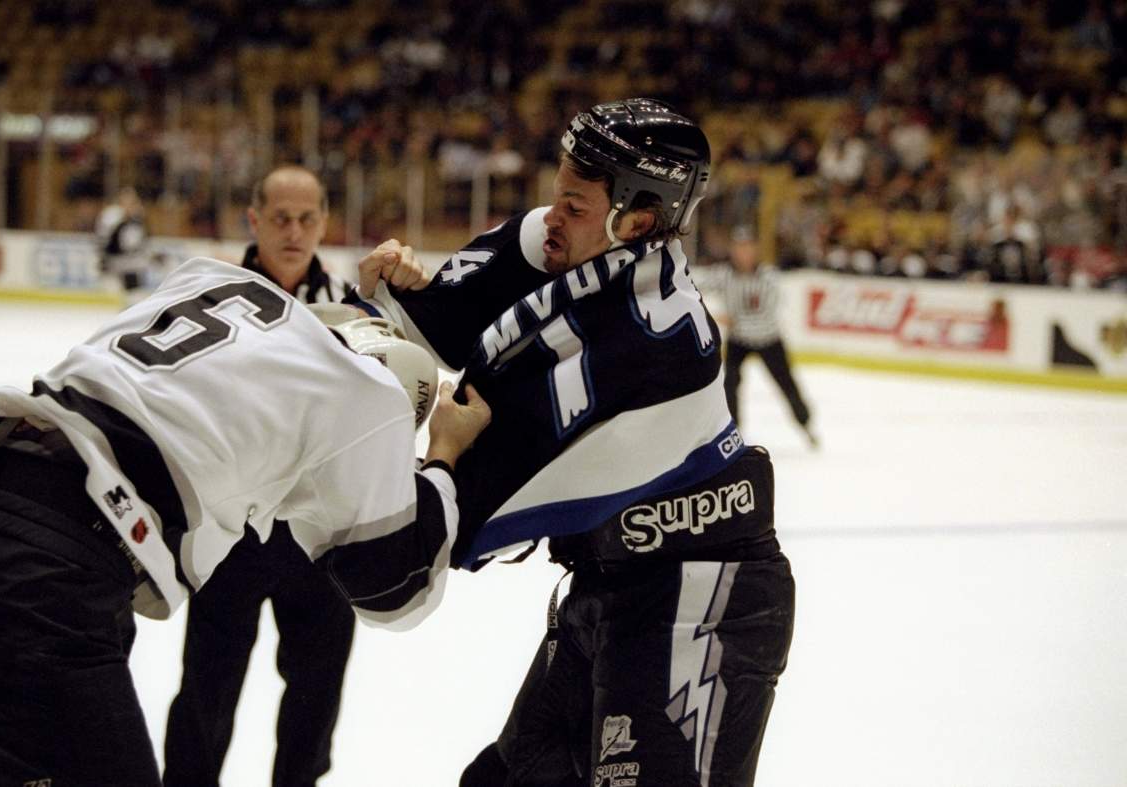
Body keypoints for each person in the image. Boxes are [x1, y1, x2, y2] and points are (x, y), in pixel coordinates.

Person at [352, 98, 795, 787]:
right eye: (556, 196)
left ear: (638, 220)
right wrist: (403, 296)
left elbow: (412, 559)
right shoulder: (590, 245)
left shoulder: (643, 348)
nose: (552, 218)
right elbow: (449, 320)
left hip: (701, 602)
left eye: (574, 206)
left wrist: (437, 451)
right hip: (615, 583)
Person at [0, 247, 491, 786]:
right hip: (37, 576)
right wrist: (442, 453)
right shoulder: (369, 395)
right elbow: (396, 595)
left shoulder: (218, 282)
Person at [163, 165, 358, 787]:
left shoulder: (352, 308)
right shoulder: (211, 297)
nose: (294, 232)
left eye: (307, 219)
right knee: (206, 691)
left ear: (324, 221)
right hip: (231, 532)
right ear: (254, 220)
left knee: (315, 694)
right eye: (280, 218)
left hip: (322, 538)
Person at [713, 225, 818, 448]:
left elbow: (767, 314)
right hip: (738, 341)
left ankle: (805, 423)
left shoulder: (768, 278)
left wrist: (734, 320)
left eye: (748, 247)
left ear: (755, 250)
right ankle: (734, 430)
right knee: (729, 383)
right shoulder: (724, 276)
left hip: (768, 339)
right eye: (739, 248)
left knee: (786, 383)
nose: (744, 253)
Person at [96, 185, 155, 301]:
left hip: (132, 266)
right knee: (112, 297)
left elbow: (142, 242)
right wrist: (103, 260)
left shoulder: (138, 218)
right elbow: (103, 241)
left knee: (135, 298)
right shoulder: (111, 217)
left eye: (132, 201)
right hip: (113, 265)